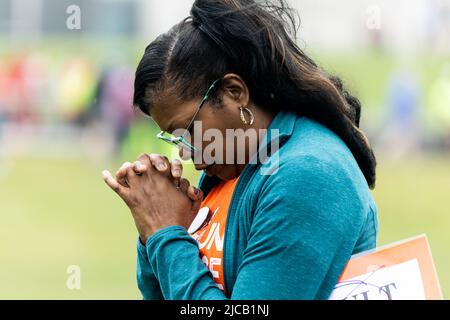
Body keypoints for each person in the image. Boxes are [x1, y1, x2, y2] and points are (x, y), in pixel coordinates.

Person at [102, 0, 378, 300]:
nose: (184, 153)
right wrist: (155, 231)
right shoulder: (231, 169)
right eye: (174, 138)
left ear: (235, 92)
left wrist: (165, 235)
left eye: (189, 129)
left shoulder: (308, 174)